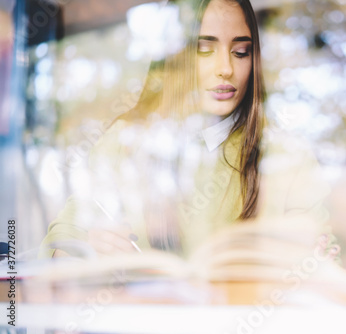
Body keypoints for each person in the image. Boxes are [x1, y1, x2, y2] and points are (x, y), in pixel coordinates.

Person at [39, 0, 331, 259]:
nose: (225, 68)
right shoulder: (124, 140)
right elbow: (62, 239)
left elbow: (323, 255)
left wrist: (310, 263)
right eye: (205, 49)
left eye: (241, 52)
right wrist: (85, 246)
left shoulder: (286, 156)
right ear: (178, 54)